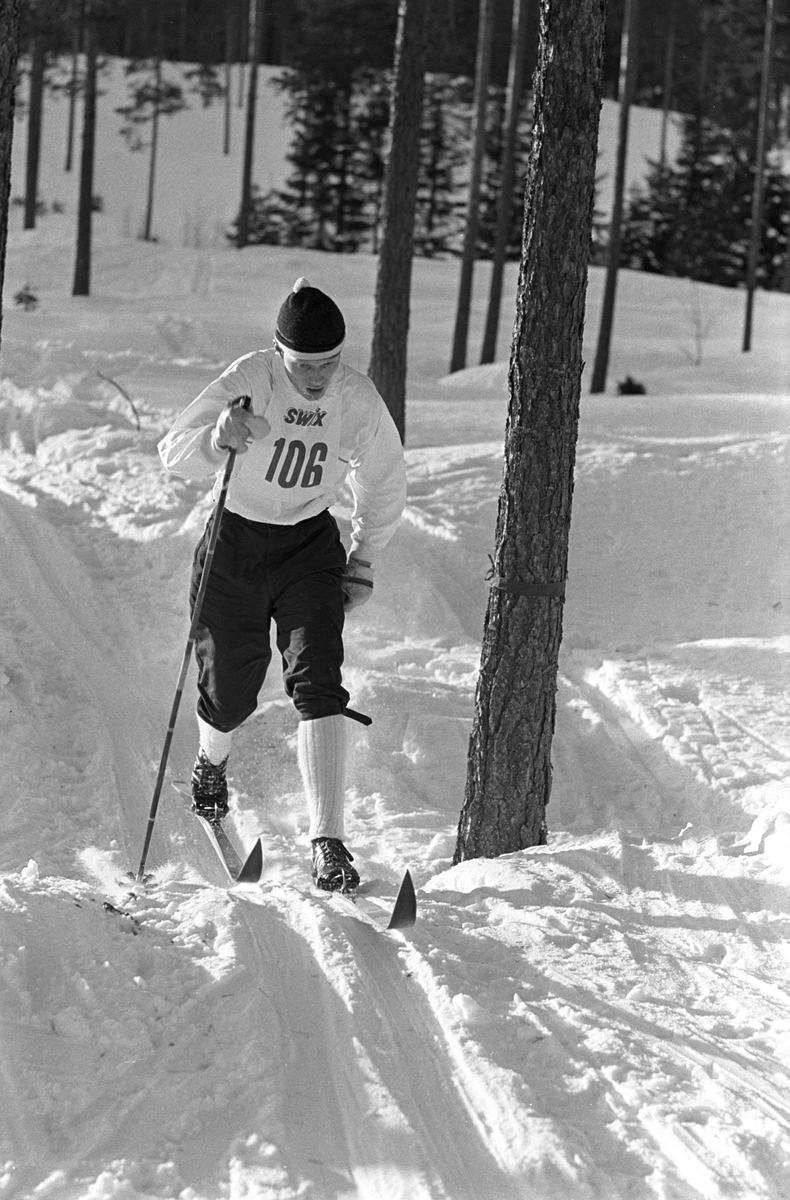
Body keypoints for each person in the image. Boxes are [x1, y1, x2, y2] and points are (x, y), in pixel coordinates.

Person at [158, 278, 406, 891]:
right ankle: (210, 765)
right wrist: (219, 438)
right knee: (232, 687)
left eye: (330, 362)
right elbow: (173, 451)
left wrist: (363, 558)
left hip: (307, 546)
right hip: (234, 543)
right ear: (279, 352)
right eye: (305, 364)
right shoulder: (252, 378)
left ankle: (329, 844)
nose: (319, 376)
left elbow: (383, 479)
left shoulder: (355, 398)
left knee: (319, 677)